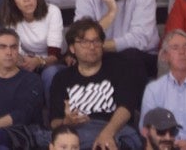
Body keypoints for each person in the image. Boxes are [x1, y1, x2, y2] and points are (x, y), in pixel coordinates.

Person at [47, 19, 142, 150]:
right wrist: (66, 123)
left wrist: (107, 134)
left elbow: (126, 109)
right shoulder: (62, 78)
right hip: (75, 133)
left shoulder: (120, 69)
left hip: (114, 129)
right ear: (72, 48)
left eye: (96, 41)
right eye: (85, 42)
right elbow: (54, 122)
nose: (92, 47)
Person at [74, 0, 160, 87]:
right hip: (103, 56)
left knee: (130, 57)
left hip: (142, 56)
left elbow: (139, 40)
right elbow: (80, 36)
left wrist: (95, 46)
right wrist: (111, 14)